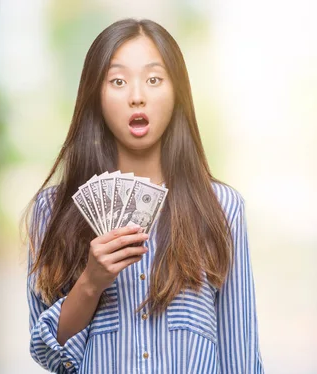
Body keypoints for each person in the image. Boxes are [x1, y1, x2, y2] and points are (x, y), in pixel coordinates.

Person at [24, 18, 263, 373]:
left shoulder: (221, 208)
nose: (137, 96)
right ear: (96, 95)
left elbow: (240, 354)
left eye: (154, 79)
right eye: (118, 81)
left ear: (177, 91)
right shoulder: (52, 211)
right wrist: (91, 283)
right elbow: (46, 352)